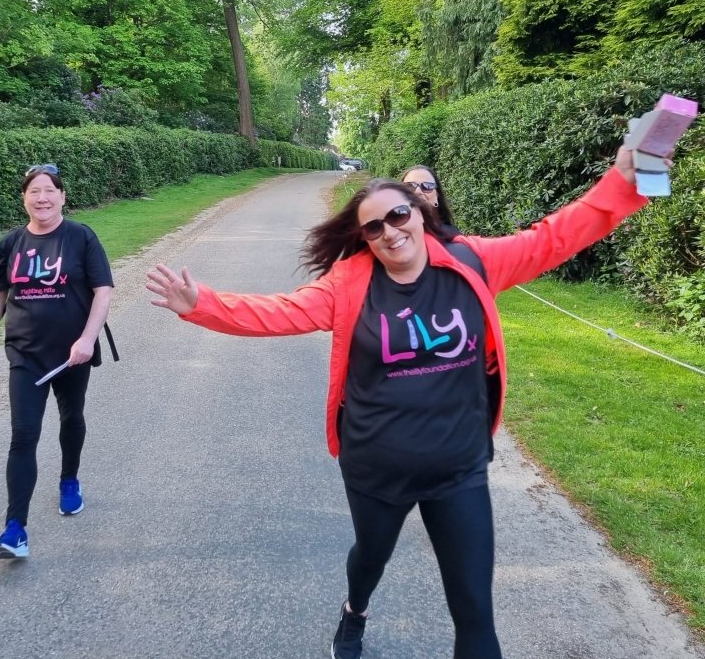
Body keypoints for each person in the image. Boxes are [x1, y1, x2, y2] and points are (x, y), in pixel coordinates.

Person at [146, 145, 668, 659]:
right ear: (364, 239)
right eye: (373, 227)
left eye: (398, 214)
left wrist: (624, 181)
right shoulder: (350, 285)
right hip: (377, 467)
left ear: (421, 213)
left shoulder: (472, 261)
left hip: (458, 468)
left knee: (476, 617)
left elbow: (556, 236)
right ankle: (356, 609)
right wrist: (203, 305)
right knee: (369, 558)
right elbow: (281, 312)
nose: (390, 231)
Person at [0, 163, 114, 559]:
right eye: (34, 191)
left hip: (73, 353)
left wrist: (87, 340)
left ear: (62, 196)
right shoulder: (10, 244)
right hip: (25, 353)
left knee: (71, 417)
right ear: (24, 198)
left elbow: (103, 291)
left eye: (49, 191)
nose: (42, 198)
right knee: (23, 435)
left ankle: (69, 479)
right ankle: (14, 530)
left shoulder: (81, 237)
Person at [400, 164, 459, 235]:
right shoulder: (389, 235)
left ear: (437, 197)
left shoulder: (453, 238)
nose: (418, 191)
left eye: (427, 186)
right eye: (410, 186)